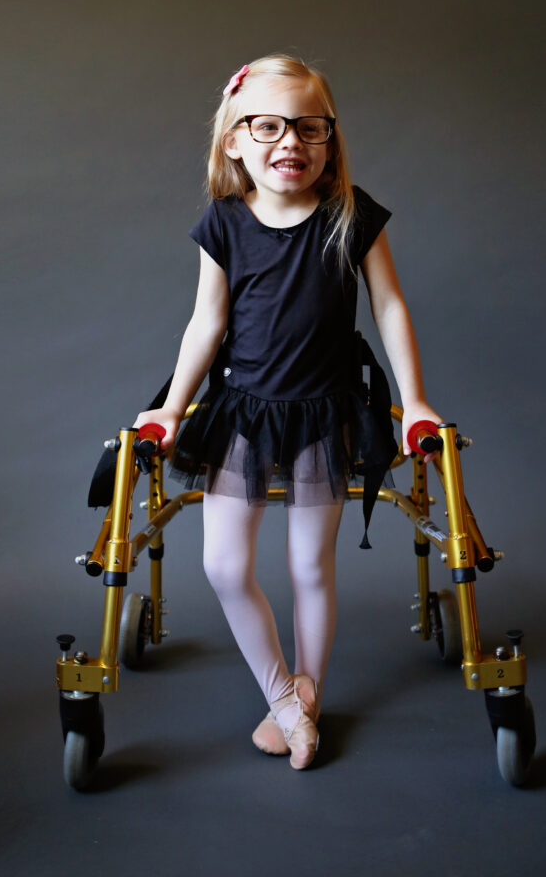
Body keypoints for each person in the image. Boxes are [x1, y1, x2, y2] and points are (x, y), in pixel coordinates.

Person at [133, 54, 442, 770]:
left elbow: (389, 306)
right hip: (243, 412)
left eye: (309, 127)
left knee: (309, 564)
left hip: (324, 412)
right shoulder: (224, 223)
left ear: (329, 139)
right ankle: (281, 696)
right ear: (234, 140)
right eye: (267, 126)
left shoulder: (349, 215)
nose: (290, 142)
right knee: (223, 564)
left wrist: (414, 397)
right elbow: (205, 325)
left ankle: (311, 700)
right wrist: (172, 410)